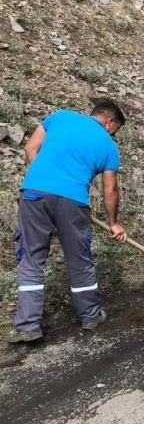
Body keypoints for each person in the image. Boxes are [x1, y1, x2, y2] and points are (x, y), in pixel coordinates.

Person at [8, 101, 128, 344]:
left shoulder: (59, 117)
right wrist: (113, 222)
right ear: (110, 122)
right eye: (115, 130)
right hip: (72, 201)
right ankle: (90, 316)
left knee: (31, 258)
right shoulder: (108, 145)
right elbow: (110, 189)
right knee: (79, 258)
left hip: (33, 194)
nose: (113, 134)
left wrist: (47, 181)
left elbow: (30, 148)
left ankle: (27, 326)